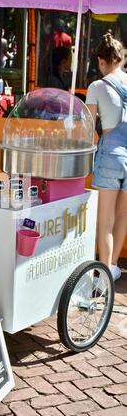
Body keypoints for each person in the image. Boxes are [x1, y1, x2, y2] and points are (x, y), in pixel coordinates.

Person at [86, 33, 127, 281]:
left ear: (101, 60)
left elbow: (88, 125)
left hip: (110, 155)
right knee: (123, 216)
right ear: (121, 59)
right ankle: (113, 266)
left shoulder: (97, 87)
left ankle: (104, 277)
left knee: (105, 220)